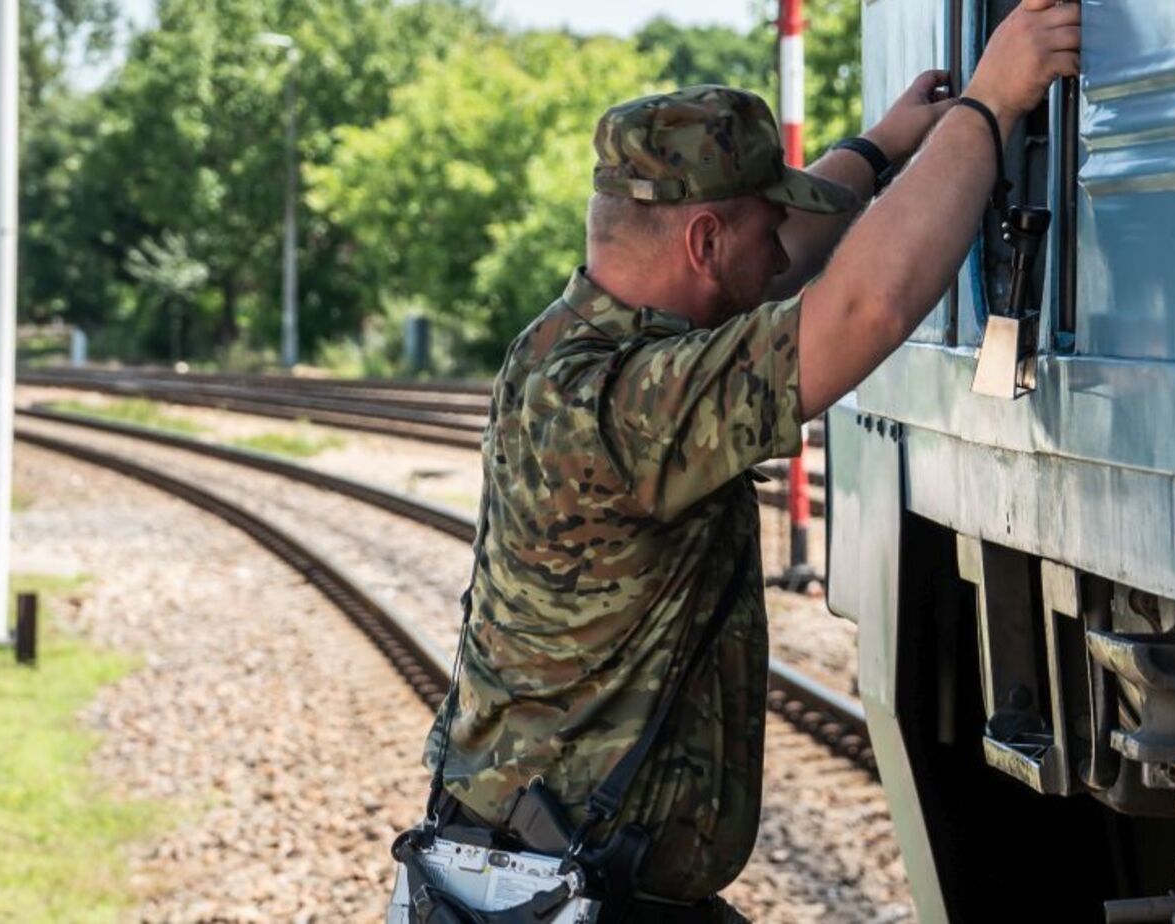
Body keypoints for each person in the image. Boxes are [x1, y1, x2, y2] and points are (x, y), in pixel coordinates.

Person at [419, 1, 1081, 920]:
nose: (783, 252)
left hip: (561, 870)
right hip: (566, 892)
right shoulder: (626, 405)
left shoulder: (570, 342)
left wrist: (884, 146)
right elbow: (862, 311)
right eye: (766, 222)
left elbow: (773, 262)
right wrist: (989, 107)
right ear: (701, 241)